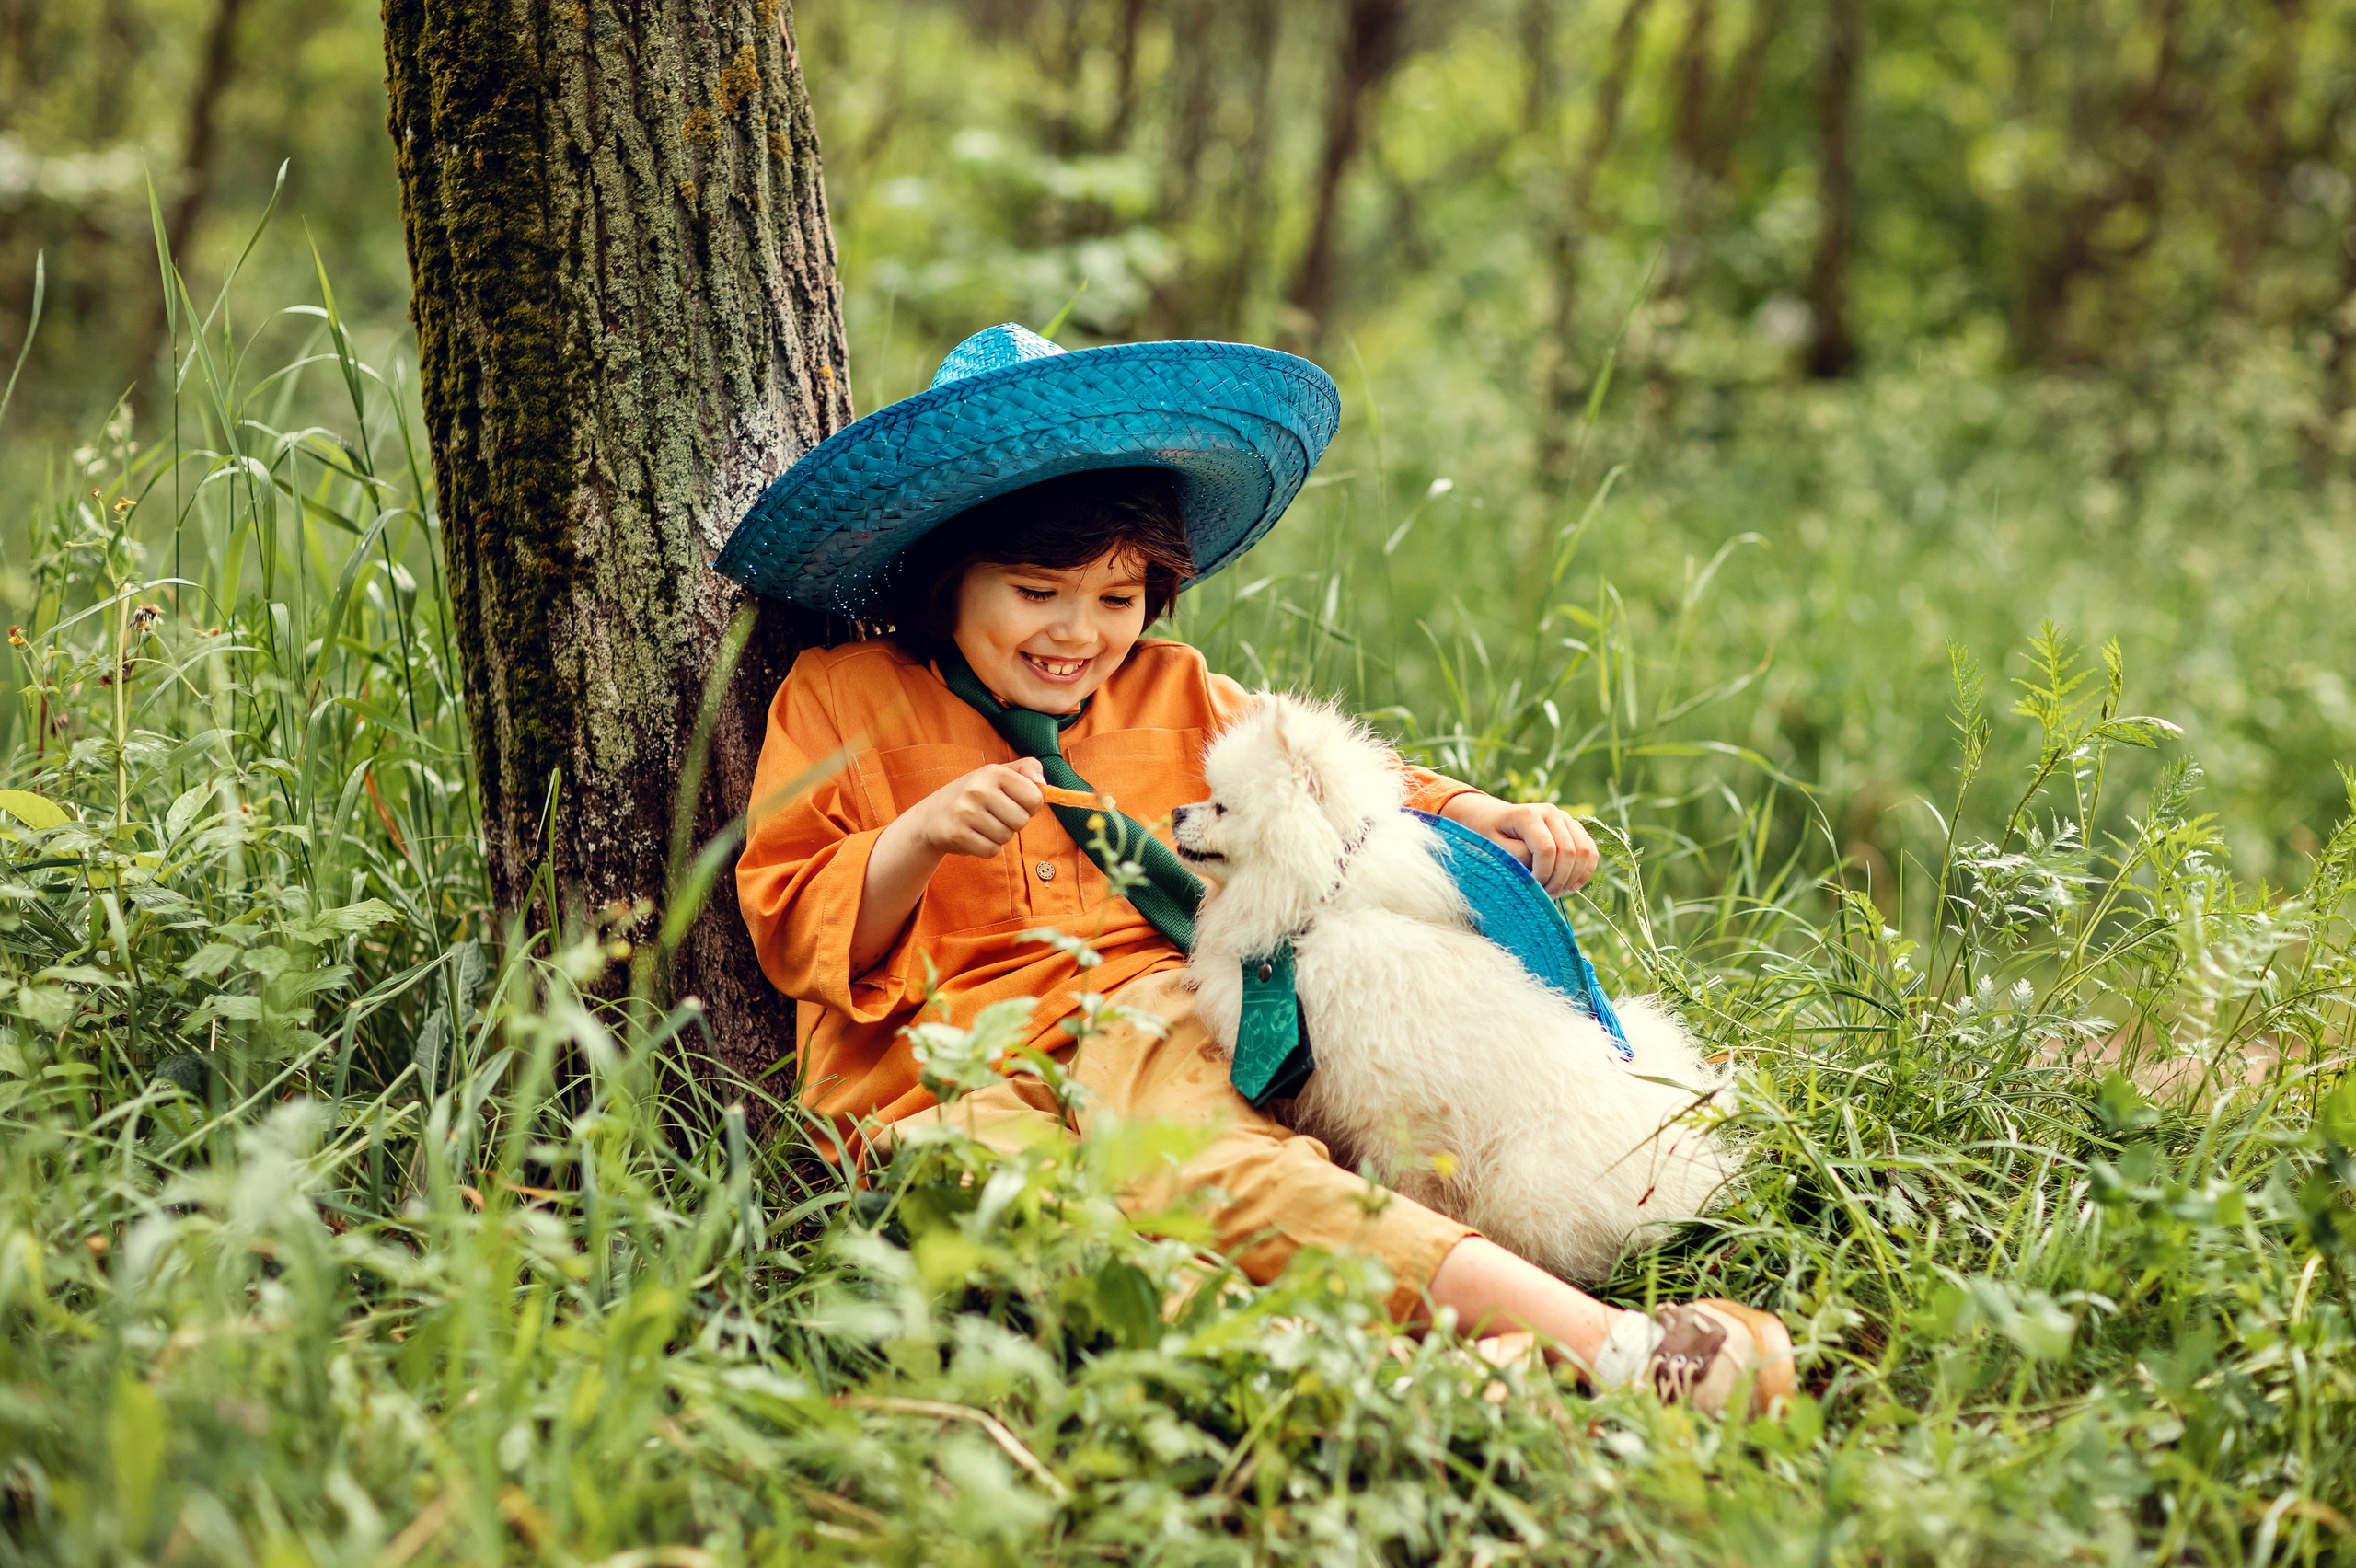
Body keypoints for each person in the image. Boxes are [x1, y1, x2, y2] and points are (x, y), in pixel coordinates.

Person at [725, 323, 1793, 1415]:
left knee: (1230, 1175)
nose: (1077, 633)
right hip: (926, 1066)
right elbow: (793, 919)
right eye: (1036, 591)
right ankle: (1453, 1386)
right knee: (1054, 1230)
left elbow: (1334, 783)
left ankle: (1610, 1345)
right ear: (951, 574)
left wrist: (1489, 812)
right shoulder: (841, 696)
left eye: (1116, 596)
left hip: (1140, 1015)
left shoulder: (1175, 692)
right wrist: (916, 837)